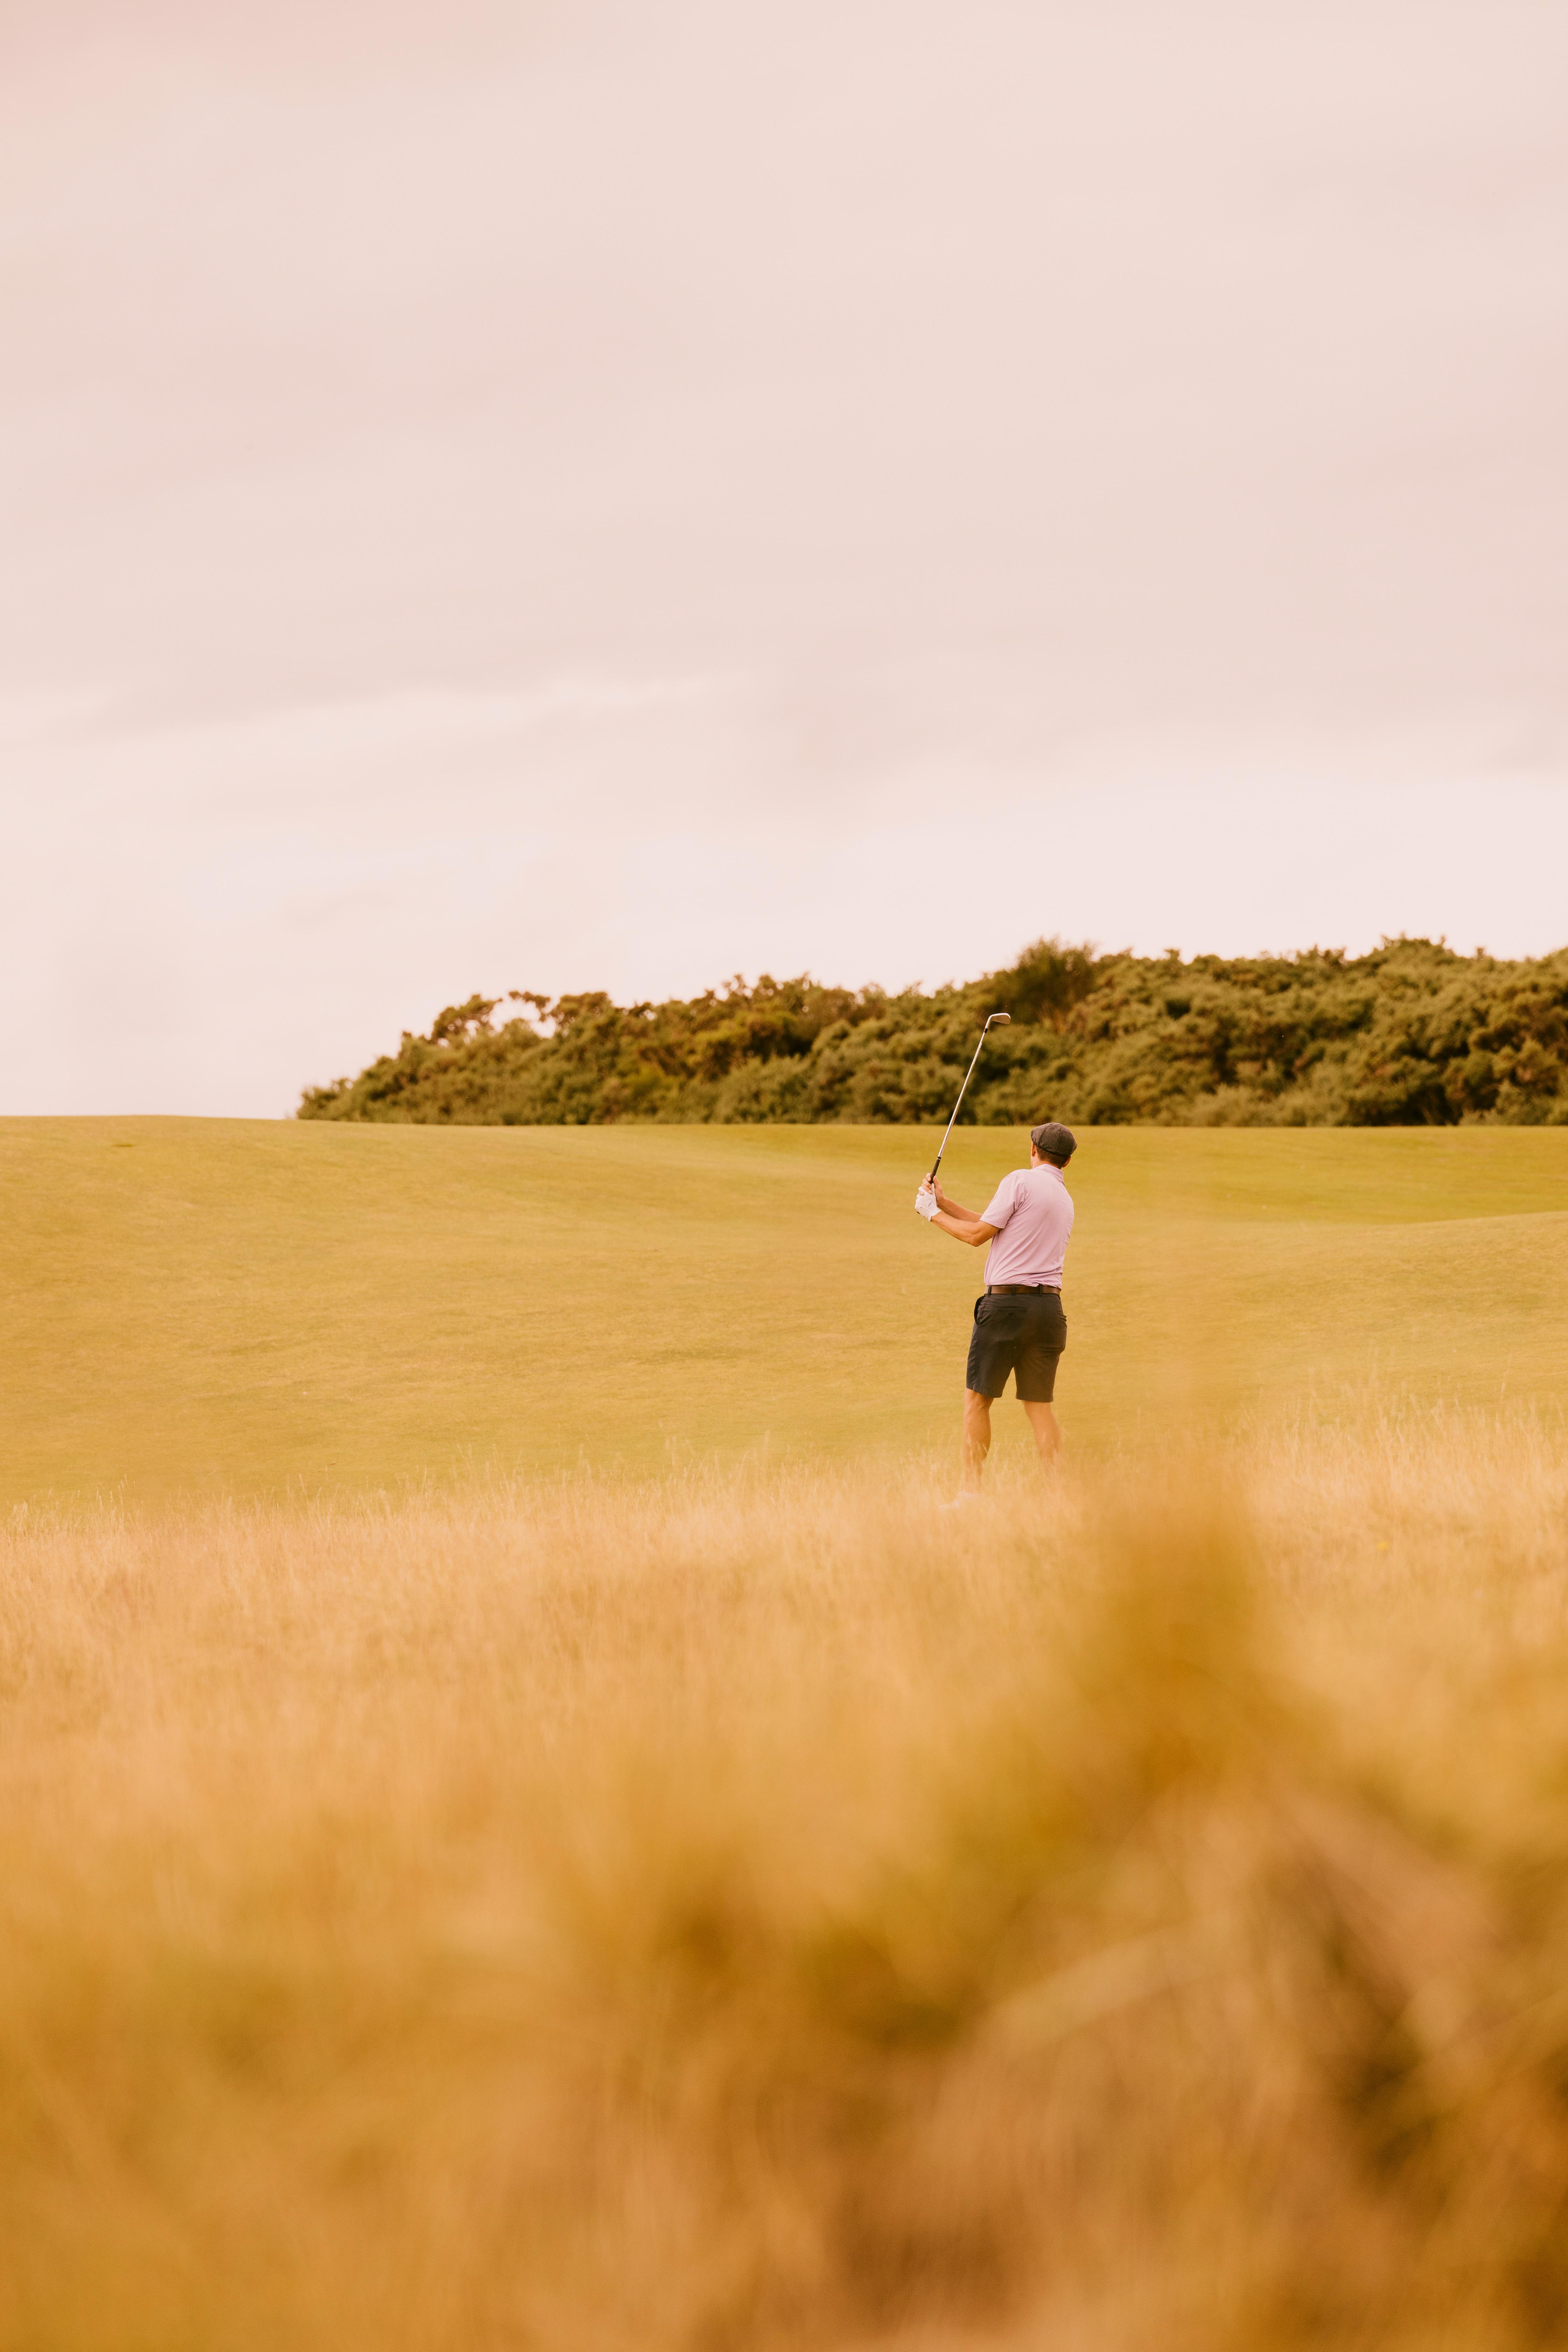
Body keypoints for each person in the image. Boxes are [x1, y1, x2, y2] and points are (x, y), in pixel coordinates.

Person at [915, 1121, 1076, 1494]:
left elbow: (977, 1237)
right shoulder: (1063, 1198)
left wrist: (930, 1214)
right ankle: (1056, 1494)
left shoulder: (1020, 1180)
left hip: (1006, 1307)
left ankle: (971, 1494)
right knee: (1039, 1406)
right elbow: (994, 1223)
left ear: (1033, 1150)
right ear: (1066, 1162)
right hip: (1049, 1311)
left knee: (977, 1401)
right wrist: (943, 1201)